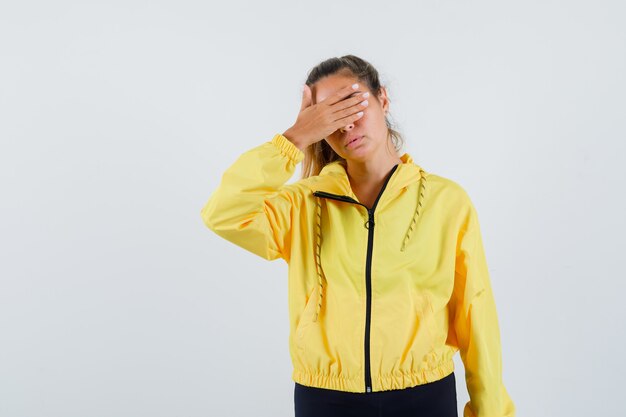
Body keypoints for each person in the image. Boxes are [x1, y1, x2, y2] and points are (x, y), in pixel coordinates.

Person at [200, 55, 516, 417]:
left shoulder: (447, 201)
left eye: (352, 105)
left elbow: (477, 316)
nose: (346, 125)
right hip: (326, 400)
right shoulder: (304, 204)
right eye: (328, 118)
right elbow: (222, 213)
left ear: (382, 99)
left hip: (423, 396)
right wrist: (296, 137)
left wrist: (491, 411)